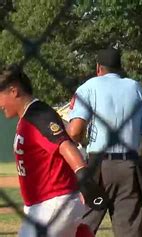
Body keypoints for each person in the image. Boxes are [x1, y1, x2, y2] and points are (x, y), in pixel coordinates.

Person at [0, 64, 103, 236]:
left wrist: (84, 178)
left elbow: (64, 145)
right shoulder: (29, 116)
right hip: (45, 205)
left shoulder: (37, 114)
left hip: (53, 202)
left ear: (13, 90)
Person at [68, 47, 142, 237]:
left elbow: (74, 132)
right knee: (130, 231)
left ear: (98, 67)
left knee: (82, 226)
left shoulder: (89, 87)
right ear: (119, 67)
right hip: (129, 167)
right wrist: (139, 160)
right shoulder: (137, 88)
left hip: (98, 166)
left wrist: (83, 140)